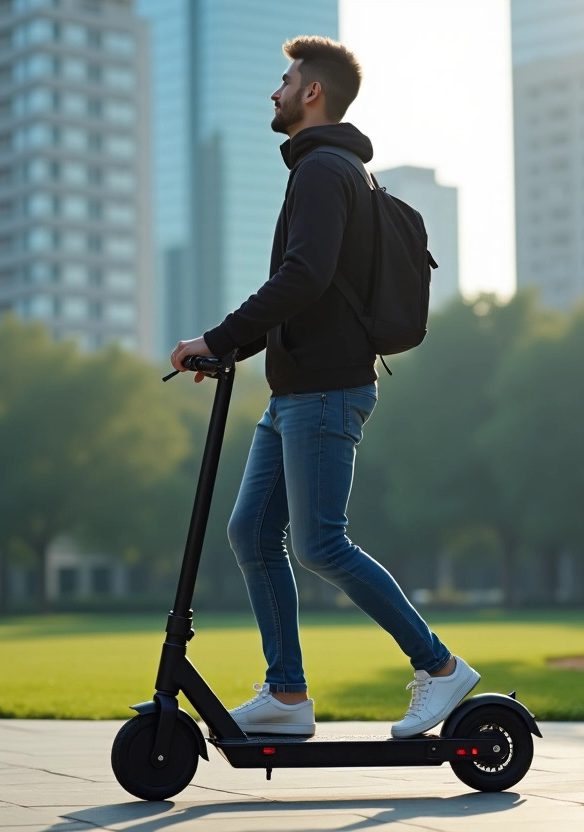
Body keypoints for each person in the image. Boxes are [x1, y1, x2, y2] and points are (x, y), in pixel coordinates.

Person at [169, 35, 478, 739]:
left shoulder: (322, 171)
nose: (273, 91)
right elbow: (309, 288)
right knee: (252, 531)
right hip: (298, 392)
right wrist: (230, 349)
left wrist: (216, 340)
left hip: (325, 390)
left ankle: (439, 667)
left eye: (284, 79)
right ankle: (286, 695)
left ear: (313, 92)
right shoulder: (336, 170)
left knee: (319, 544)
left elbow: (303, 276)